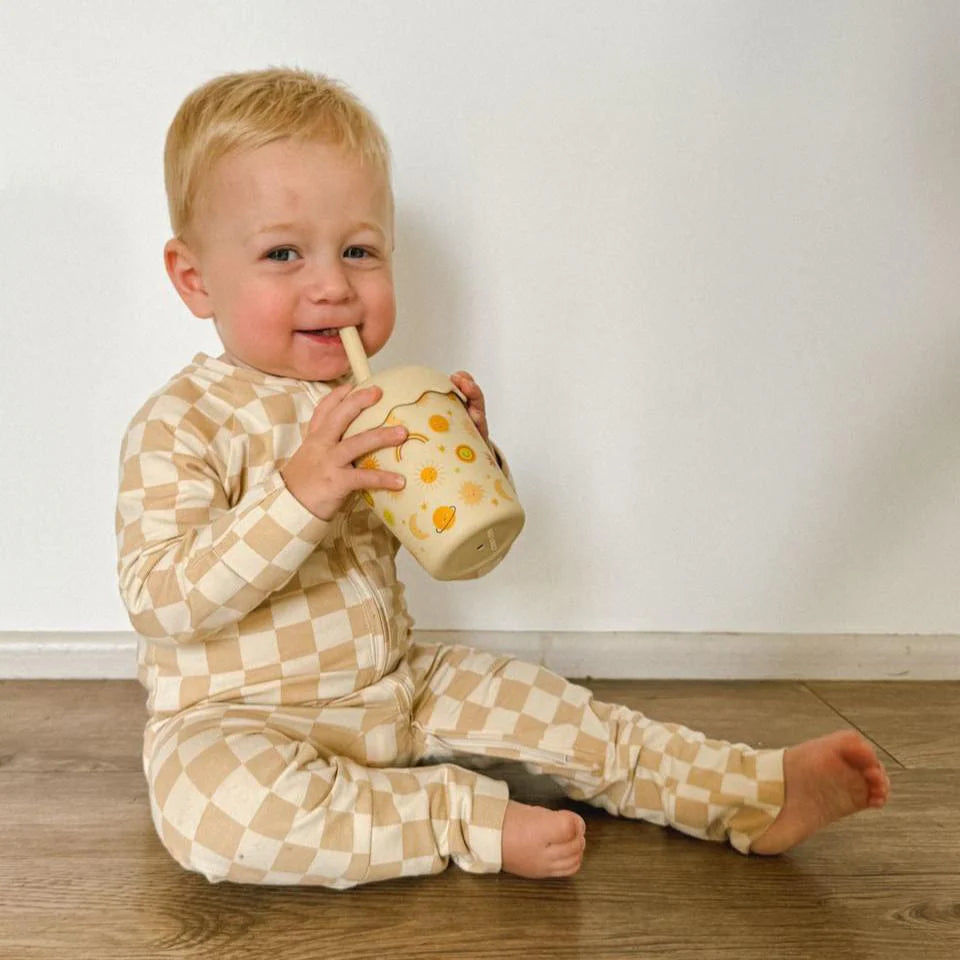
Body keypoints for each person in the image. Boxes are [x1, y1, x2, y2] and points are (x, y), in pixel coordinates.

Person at [116, 67, 889, 889]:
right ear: (195, 279)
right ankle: (461, 818)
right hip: (237, 719)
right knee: (214, 812)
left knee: (566, 712)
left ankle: (748, 793)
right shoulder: (181, 421)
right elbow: (161, 600)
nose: (333, 284)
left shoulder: (370, 400)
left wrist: (464, 470)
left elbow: (462, 553)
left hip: (396, 685)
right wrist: (300, 493)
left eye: (359, 250)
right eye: (282, 253)